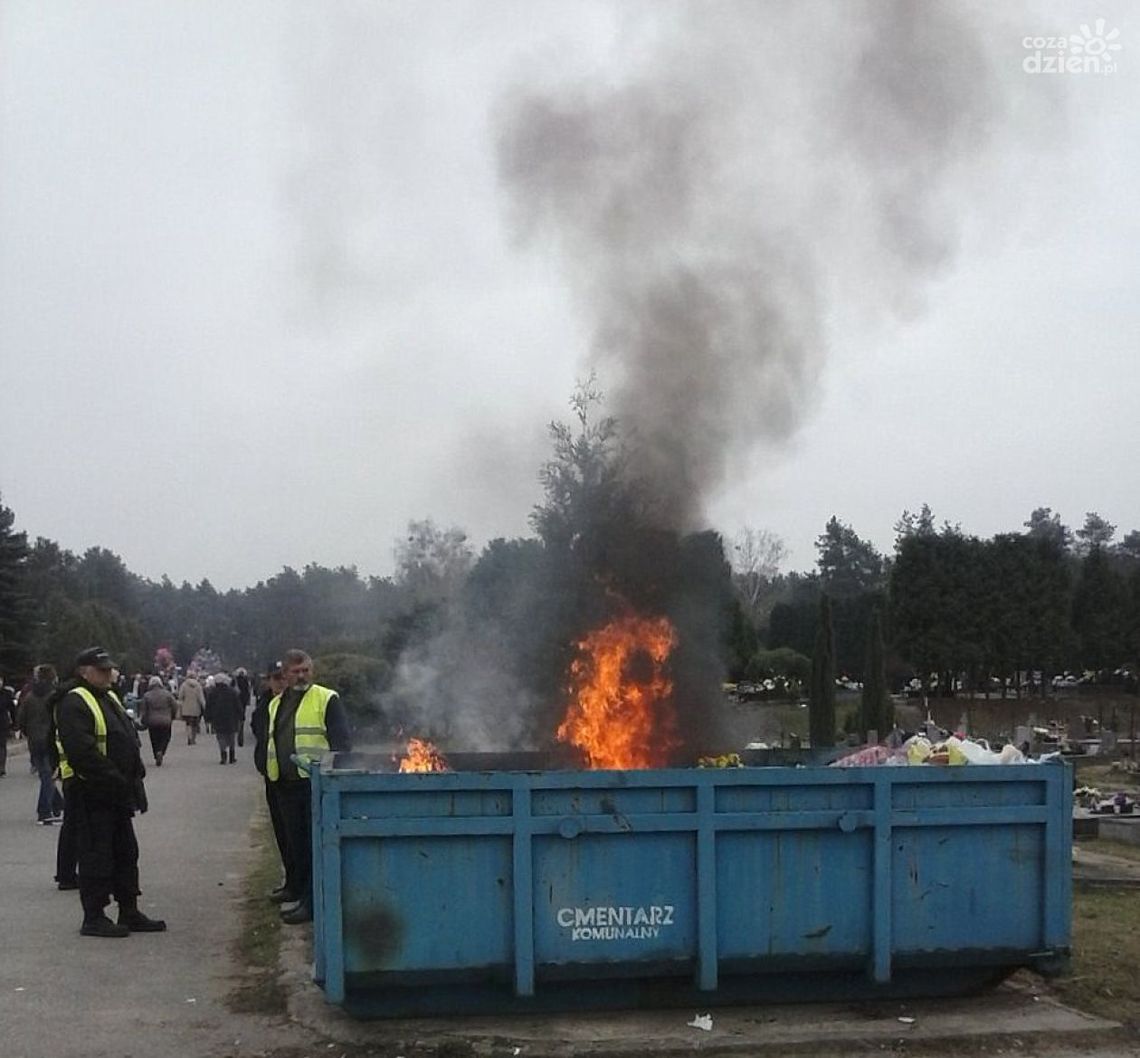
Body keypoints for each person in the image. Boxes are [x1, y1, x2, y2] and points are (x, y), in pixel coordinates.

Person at [55, 646, 166, 938]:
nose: (109, 674)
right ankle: (94, 916)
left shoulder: (108, 696)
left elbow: (125, 736)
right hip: (92, 791)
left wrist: (134, 774)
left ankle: (129, 910)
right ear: (84, 672)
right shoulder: (74, 701)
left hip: (117, 792)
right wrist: (115, 778)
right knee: (96, 854)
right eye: (102, 670)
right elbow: (82, 752)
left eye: (109, 669)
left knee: (126, 852)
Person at [266, 649, 351, 924]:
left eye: (306, 670)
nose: (302, 676)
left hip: (314, 784)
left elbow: (341, 744)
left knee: (315, 847)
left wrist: (332, 776)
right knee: (297, 847)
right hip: (285, 785)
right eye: (296, 672)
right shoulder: (276, 703)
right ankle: (301, 894)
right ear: (286, 675)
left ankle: (313, 904)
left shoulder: (326, 699)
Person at [251, 661, 290, 902]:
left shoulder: (293, 703)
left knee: (293, 836)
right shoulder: (264, 704)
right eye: (276, 678)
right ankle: (288, 880)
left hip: (292, 778)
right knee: (280, 832)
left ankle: (295, 882)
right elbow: (259, 731)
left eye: (283, 677)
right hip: (272, 775)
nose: (280, 683)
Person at [16, 664, 64, 824]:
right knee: (49, 776)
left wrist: (28, 733)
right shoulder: (55, 696)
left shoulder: (29, 696)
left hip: (34, 741)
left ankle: (58, 804)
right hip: (50, 740)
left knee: (45, 774)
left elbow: (21, 719)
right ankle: (44, 812)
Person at [139, 676, 177, 766]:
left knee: (154, 738)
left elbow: (144, 710)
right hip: (166, 720)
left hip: (152, 721)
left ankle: (156, 752)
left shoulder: (147, 695)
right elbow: (174, 705)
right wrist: (172, 716)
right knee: (166, 737)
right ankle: (161, 751)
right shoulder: (167, 694)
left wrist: (143, 720)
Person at [205, 672, 241, 765]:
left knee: (221, 737)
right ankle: (232, 756)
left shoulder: (213, 693)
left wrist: (207, 718)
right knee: (231, 736)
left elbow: (208, 706)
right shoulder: (232, 692)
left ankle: (223, 755)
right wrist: (240, 715)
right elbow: (237, 705)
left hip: (218, 718)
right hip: (231, 718)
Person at [176, 672, 205, 745]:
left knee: (188, 724)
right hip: (196, 708)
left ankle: (189, 737)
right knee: (195, 725)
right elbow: (201, 698)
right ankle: (193, 738)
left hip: (186, 708)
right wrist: (204, 706)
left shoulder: (184, 685)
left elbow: (180, 696)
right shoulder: (198, 685)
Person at [234, 667, 252, 748]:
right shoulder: (245, 681)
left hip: (236, 700)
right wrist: (248, 700)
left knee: (236, 716)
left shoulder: (235, 681)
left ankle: (237, 729)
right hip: (243, 701)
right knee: (241, 717)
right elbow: (248, 691)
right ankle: (240, 734)